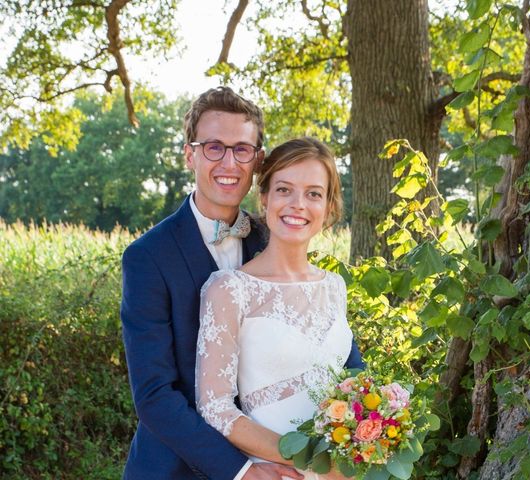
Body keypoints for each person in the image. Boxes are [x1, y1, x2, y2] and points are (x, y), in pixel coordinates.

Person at [120, 88, 362, 479]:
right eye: (214, 147)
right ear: (189, 154)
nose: (228, 162)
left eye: (242, 149)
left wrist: (370, 423)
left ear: (258, 159)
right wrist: (243, 470)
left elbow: (329, 351)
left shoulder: (278, 238)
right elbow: (154, 396)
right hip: (180, 468)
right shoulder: (148, 257)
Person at [195, 137, 365, 480]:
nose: (298, 204)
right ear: (265, 197)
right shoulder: (229, 289)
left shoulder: (334, 287)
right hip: (275, 472)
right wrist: (309, 461)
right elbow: (215, 407)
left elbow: (347, 384)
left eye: (314, 194)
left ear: (329, 206)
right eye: (284, 189)